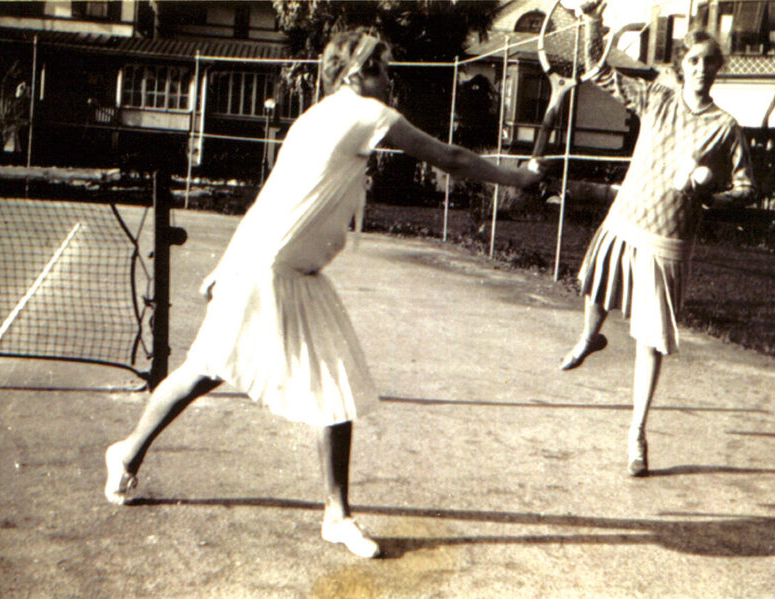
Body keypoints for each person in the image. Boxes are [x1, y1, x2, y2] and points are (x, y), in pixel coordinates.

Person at [104, 31, 542, 558]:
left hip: (285, 270)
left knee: (318, 381)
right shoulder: (365, 114)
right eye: (381, 68)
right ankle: (127, 452)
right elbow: (448, 156)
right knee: (210, 372)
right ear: (355, 76)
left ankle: (333, 515)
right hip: (267, 272)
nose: (390, 78)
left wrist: (226, 262)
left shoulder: (315, 117)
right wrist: (516, 178)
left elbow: (271, 197)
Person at [558, 9, 756, 477]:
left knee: (650, 341)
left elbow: (748, 190)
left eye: (710, 62)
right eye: (693, 61)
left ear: (717, 68)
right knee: (596, 286)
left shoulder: (725, 127)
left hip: (670, 238)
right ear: (681, 65)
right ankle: (590, 336)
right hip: (626, 218)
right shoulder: (656, 99)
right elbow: (595, 70)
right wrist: (590, 21)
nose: (702, 69)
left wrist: (710, 195)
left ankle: (637, 437)